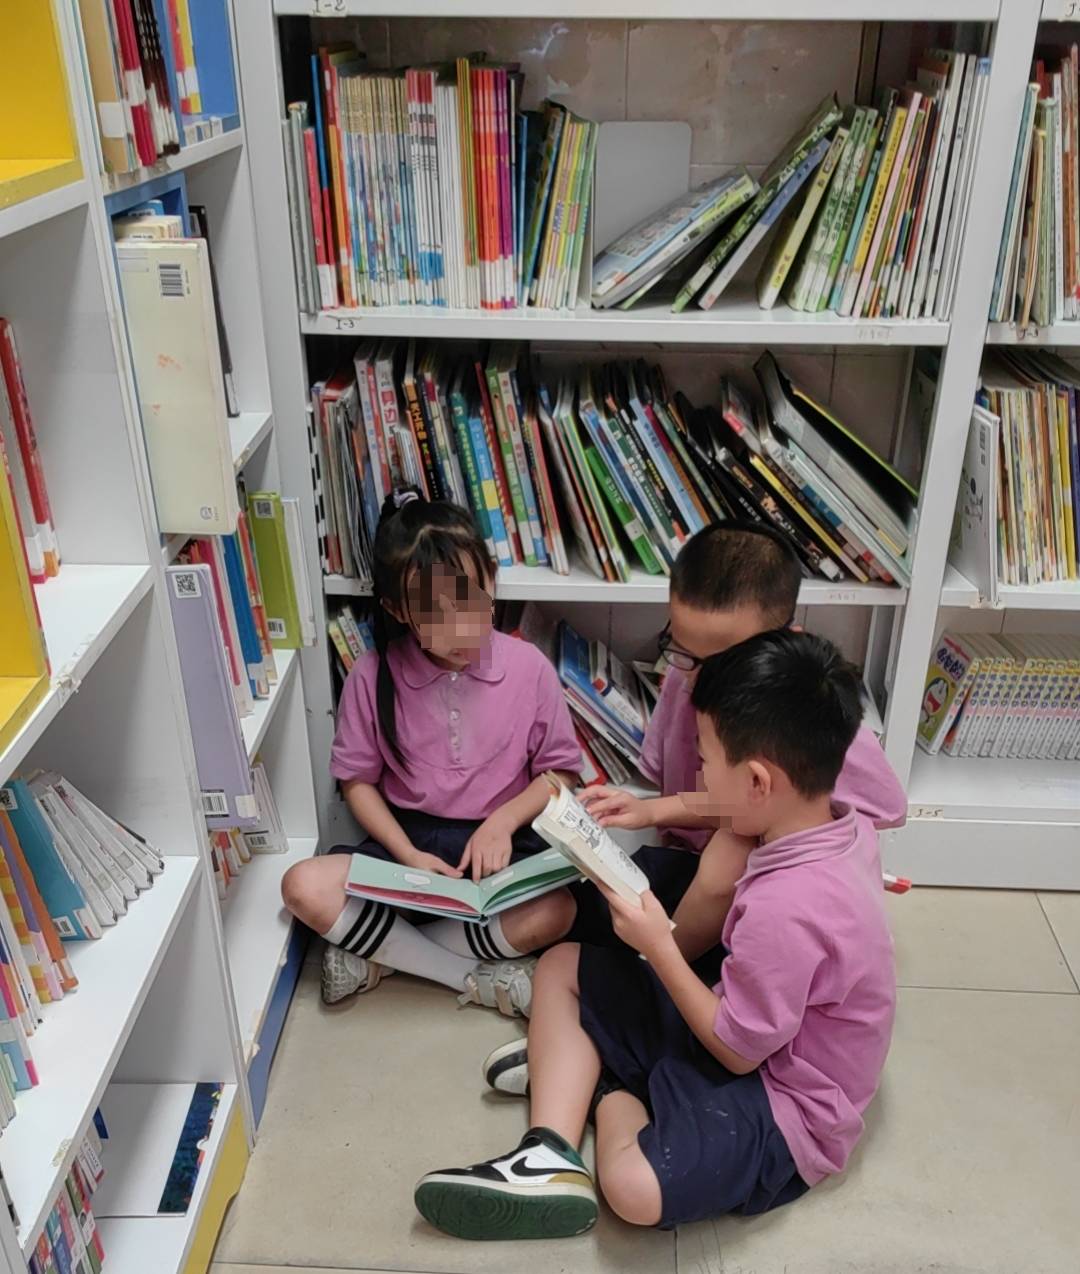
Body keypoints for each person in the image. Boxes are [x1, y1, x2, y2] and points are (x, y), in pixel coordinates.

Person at [413, 630, 897, 1239]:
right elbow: (737, 807)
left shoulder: (789, 906)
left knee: (633, 1189)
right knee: (563, 966)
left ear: (757, 781)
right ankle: (546, 1153)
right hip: (752, 1024)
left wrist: (658, 946)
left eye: (705, 760)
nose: (699, 773)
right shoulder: (835, 818)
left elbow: (738, 1051)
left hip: (784, 1103)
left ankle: (598, 1080)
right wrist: (654, 811)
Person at [280, 490, 582, 1017]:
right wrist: (407, 854)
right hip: (410, 848)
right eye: (435, 616)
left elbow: (560, 774)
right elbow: (357, 783)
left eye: (470, 602)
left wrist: (502, 823)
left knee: (557, 910)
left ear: (491, 579)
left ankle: (385, 956)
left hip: (499, 849)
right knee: (302, 886)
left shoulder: (528, 666)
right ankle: (466, 976)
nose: (460, 627)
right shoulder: (372, 674)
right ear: (397, 610)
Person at [571, 522, 907, 961]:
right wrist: (650, 810)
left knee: (727, 854)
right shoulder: (684, 677)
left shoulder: (812, 715)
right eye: (682, 650)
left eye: (723, 662)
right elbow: (717, 801)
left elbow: (877, 813)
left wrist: (761, 834)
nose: (698, 678)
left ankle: (658, 971)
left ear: (785, 644)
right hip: (694, 862)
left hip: (772, 886)